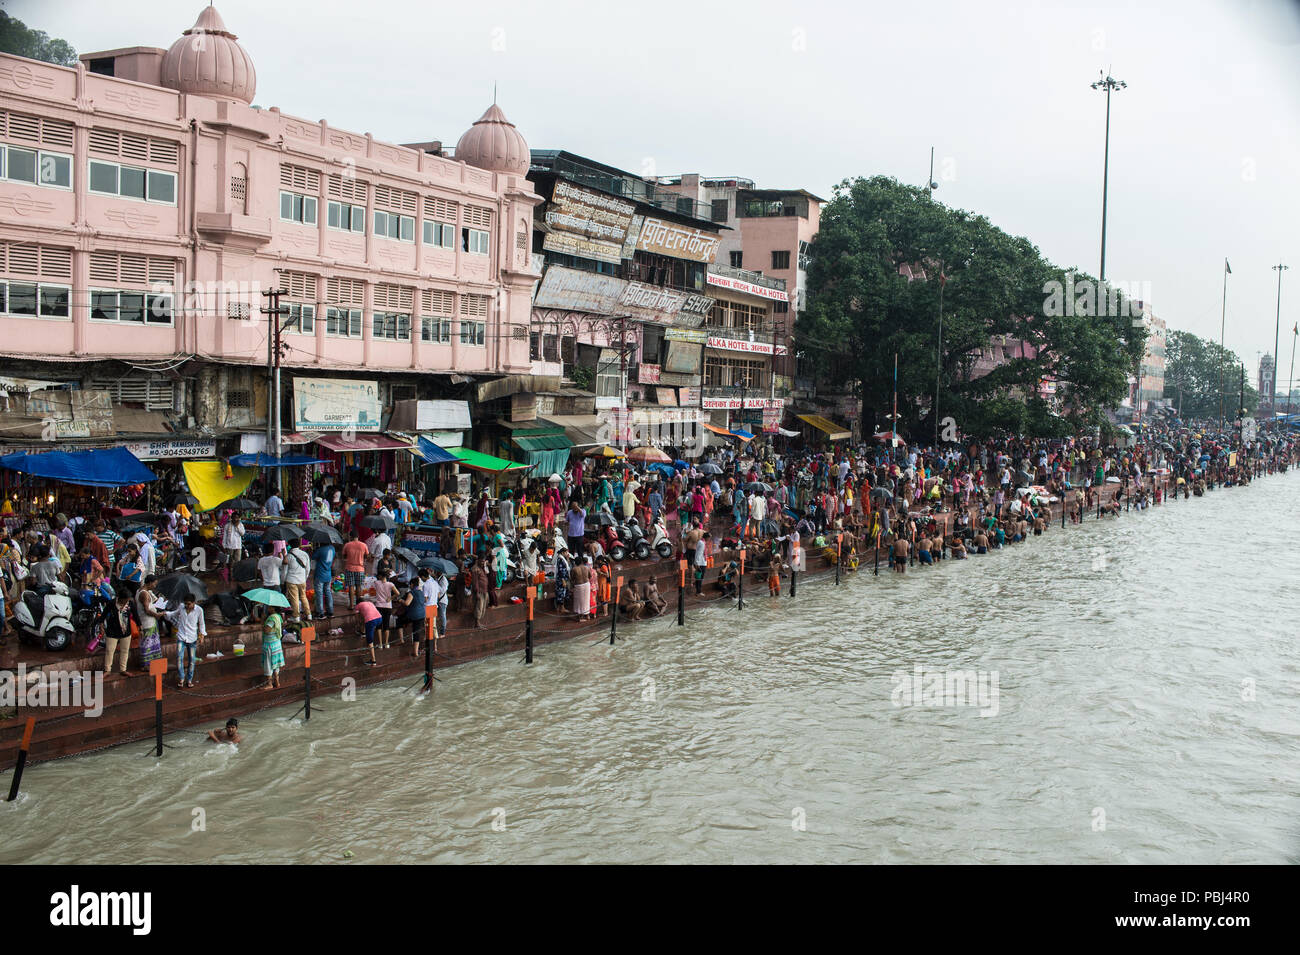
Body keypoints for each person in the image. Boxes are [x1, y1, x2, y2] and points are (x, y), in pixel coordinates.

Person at [166, 594, 206, 688]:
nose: (187, 606)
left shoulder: (199, 610)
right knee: (179, 657)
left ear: (193, 603)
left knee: (192, 660)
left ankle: (189, 679)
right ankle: (181, 678)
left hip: (192, 638)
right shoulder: (181, 607)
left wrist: (202, 635)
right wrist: (165, 613)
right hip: (181, 636)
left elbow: (202, 624)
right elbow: (174, 613)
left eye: (189, 604)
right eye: (185, 604)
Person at [100, 590, 136, 679]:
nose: (127, 601)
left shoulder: (130, 604)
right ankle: (107, 670)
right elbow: (103, 615)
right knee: (110, 651)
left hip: (126, 631)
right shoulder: (112, 603)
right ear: (121, 598)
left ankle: (123, 669)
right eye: (125, 599)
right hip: (112, 631)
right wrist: (101, 626)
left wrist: (140, 626)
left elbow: (135, 615)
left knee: (125, 651)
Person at [135, 575, 163, 670]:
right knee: (147, 643)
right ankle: (146, 665)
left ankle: (151, 664)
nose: (155, 586)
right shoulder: (144, 594)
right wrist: (157, 615)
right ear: (150, 583)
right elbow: (147, 610)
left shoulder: (141, 591)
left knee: (150, 643)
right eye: (154, 584)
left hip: (149, 622)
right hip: (147, 622)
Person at [395, 581, 427, 658]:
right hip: (422, 614)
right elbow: (425, 600)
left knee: (399, 621)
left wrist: (400, 600)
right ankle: (415, 652)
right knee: (416, 632)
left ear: (412, 584)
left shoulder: (411, 592)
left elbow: (407, 603)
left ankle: (401, 640)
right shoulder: (421, 592)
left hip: (413, 615)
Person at [282, 541, 311, 622]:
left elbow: (285, 571)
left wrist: (283, 580)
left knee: (294, 598)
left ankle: (296, 616)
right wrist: (305, 578)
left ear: (290, 546)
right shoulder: (305, 554)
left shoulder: (288, 556)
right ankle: (309, 615)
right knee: (303, 597)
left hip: (291, 580)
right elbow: (308, 568)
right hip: (302, 580)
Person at [341, 531, 368, 608]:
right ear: (358, 536)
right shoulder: (363, 545)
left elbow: (344, 556)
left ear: (351, 537)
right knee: (358, 586)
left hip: (349, 568)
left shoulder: (347, 545)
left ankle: (351, 605)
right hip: (360, 569)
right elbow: (366, 556)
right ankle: (358, 604)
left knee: (351, 586)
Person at [261, 606, 285, 690]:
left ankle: (269, 684)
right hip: (276, 643)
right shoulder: (278, 616)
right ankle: (277, 682)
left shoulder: (272, 618)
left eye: (270, 607)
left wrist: (263, 621)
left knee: (268, 664)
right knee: (275, 663)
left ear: (273, 608)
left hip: (270, 644)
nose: (268, 608)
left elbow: (266, 630)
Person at [371, 571, 397, 649]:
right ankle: (387, 643)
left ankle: (380, 644)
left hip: (379, 606)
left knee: (379, 626)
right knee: (386, 625)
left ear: (381, 576)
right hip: (388, 606)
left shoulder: (377, 583)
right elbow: (397, 593)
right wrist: (390, 598)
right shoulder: (390, 584)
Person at [312, 538, 336, 620]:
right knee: (328, 592)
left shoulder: (320, 550)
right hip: (328, 574)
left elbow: (313, 557)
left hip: (320, 574)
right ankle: (330, 611)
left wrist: (315, 550)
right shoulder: (332, 548)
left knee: (319, 594)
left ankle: (320, 613)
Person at [355, 599, 381, 666]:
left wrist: (358, 625)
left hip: (370, 621)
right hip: (379, 618)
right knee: (370, 629)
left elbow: (358, 618)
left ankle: (373, 660)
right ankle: (364, 633)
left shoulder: (358, 606)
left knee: (370, 641)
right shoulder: (369, 603)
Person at [471, 557, 490, 628]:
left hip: (484, 590)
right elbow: (475, 582)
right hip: (479, 591)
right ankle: (477, 623)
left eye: (483, 562)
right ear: (477, 561)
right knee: (479, 607)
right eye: (481, 561)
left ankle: (479, 623)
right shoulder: (475, 569)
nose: (482, 563)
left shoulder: (482, 568)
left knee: (482, 607)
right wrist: (476, 593)